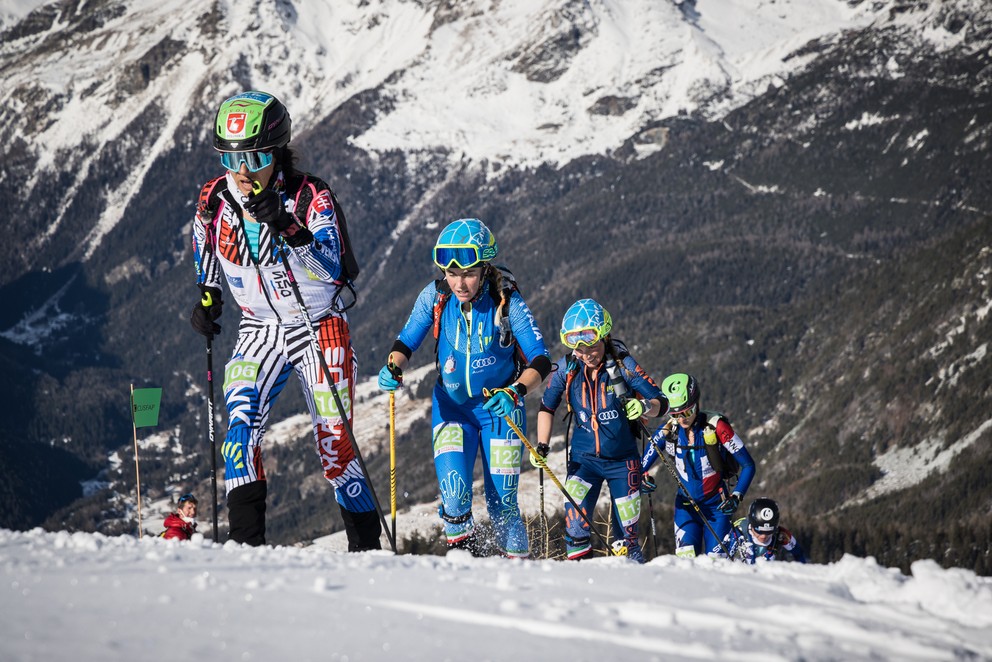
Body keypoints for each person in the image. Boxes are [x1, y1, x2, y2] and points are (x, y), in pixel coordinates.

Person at [190, 90, 381, 550]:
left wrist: (289, 227)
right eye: (229, 158)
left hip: (318, 322)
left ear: (276, 152)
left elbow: (333, 267)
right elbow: (204, 247)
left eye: (253, 157)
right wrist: (209, 296)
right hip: (258, 327)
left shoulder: (310, 195)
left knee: (335, 441)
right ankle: (245, 549)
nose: (241, 171)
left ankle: (366, 549)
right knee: (238, 432)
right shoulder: (214, 198)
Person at [376, 218, 551, 557]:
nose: (459, 283)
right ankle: (466, 571)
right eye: (451, 274)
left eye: (468, 273)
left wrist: (515, 391)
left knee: (503, 507)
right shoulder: (436, 296)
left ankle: (519, 577)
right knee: (455, 497)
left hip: (500, 411)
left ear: (484, 268)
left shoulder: (507, 303)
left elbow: (540, 360)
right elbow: (406, 340)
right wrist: (393, 366)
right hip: (451, 408)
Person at [534, 299, 664, 563]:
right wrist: (542, 445)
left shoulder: (624, 364)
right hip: (584, 461)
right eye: (576, 347)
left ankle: (632, 592)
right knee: (574, 526)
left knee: (625, 542)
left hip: (623, 462)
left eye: (591, 345)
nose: (585, 353)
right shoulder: (567, 369)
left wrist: (644, 407)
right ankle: (583, 587)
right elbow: (546, 407)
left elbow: (662, 403)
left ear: (605, 336)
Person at [640, 373, 756, 558]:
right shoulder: (669, 430)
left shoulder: (717, 427)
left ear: (696, 403)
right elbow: (640, 468)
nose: (682, 419)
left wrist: (736, 497)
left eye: (687, 411)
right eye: (675, 414)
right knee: (686, 563)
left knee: (716, 563)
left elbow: (749, 465)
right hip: (686, 506)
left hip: (717, 507)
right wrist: (642, 480)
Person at [713, 497, 808, 563]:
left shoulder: (781, 535)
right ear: (751, 525)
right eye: (758, 531)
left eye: (768, 532)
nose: (763, 536)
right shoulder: (739, 532)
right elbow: (721, 558)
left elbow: (799, 553)